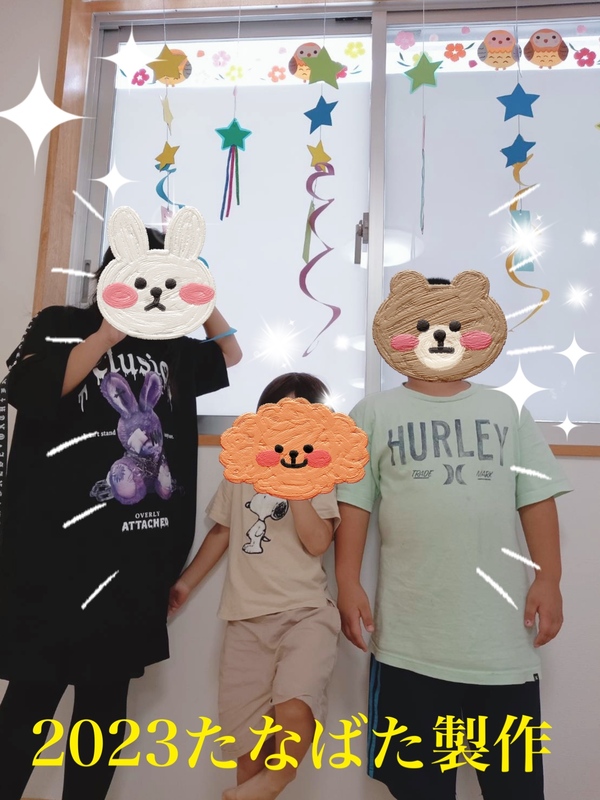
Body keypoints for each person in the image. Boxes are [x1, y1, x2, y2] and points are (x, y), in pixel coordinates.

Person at [0, 227, 242, 800]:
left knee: (104, 709)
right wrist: (108, 332)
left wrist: (198, 293)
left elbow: (229, 353)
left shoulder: (173, 345)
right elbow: (29, 390)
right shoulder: (62, 322)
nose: (154, 290)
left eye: (166, 279)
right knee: (31, 700)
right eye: (142, 275)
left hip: (135, 560)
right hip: (52, 560)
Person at [335, 275, 571, 800]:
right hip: (408, 647)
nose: (439, 336)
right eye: (422, 325)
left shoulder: (506, 410)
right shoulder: (373, 413)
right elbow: (354, 503)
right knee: (418, 789)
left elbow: (536, 496)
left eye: (454, 325)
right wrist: (346, 581)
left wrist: (549, 578)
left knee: (515, 790)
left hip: (501, 648)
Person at [169, 372, 341, 800]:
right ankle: (258, 787)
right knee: (247, 744)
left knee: (296, 703)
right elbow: (222, 531)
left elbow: (318, 542)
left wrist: (295, 487)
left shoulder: (321, 474)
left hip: (305, 613)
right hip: (245, 620)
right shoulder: (242, 470)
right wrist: (186, 583)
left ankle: (278, 779)